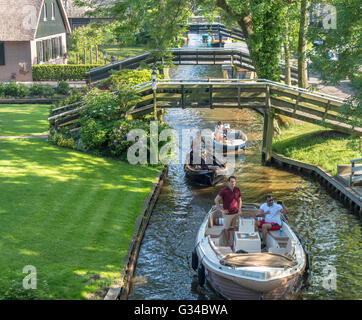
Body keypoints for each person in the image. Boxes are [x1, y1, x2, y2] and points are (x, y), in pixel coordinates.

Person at [214, 176, 242, 246]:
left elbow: (240, 200)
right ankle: (228, 242)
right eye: (231, 182)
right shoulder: (224, 190)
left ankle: (235, 241)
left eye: (234, 182)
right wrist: (221, 210)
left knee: (235, 227)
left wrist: (239, 209)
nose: (233, 183)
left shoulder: (237, 189)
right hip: (227, 214)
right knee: (227, 228)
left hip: (236, 213)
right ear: (228, 182)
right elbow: (216, 200)